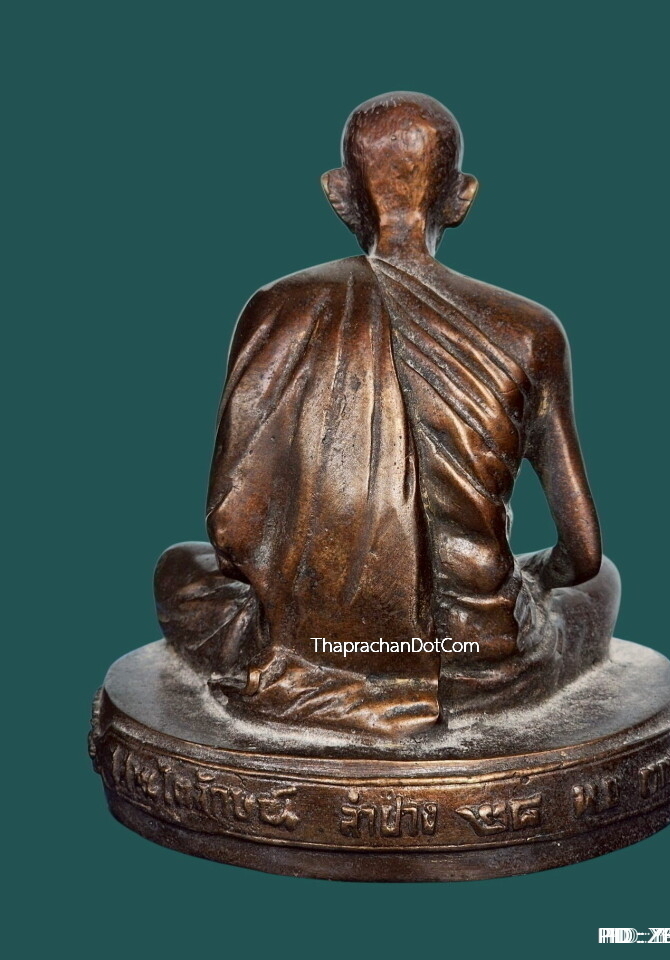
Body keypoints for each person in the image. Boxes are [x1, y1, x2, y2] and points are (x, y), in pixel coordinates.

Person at [155, 92, 620, 735]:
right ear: (461, 198)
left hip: (315, 653)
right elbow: (584, 553)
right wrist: (533, 575)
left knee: (178, 571)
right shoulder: (529, 330)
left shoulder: (277, 307)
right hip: (480, 661)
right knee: (604, 585)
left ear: (339, 194)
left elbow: (232, 523)